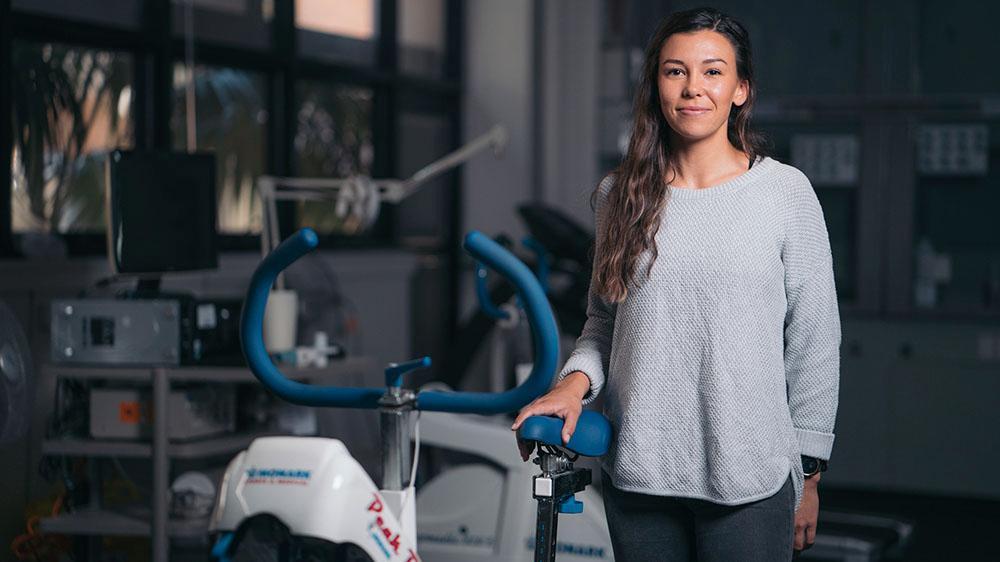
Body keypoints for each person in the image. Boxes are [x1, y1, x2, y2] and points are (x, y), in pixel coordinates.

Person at [511, 7, 840, 561]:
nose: (693, 88)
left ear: (741, 90)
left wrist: (808, 476)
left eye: (713, 72)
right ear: (657, 86)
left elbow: (814, 338)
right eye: (675, 71)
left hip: (750, 480)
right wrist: (572, 385)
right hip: (642, 474)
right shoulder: (622, 194)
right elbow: (604, 321)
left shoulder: (785, 193)